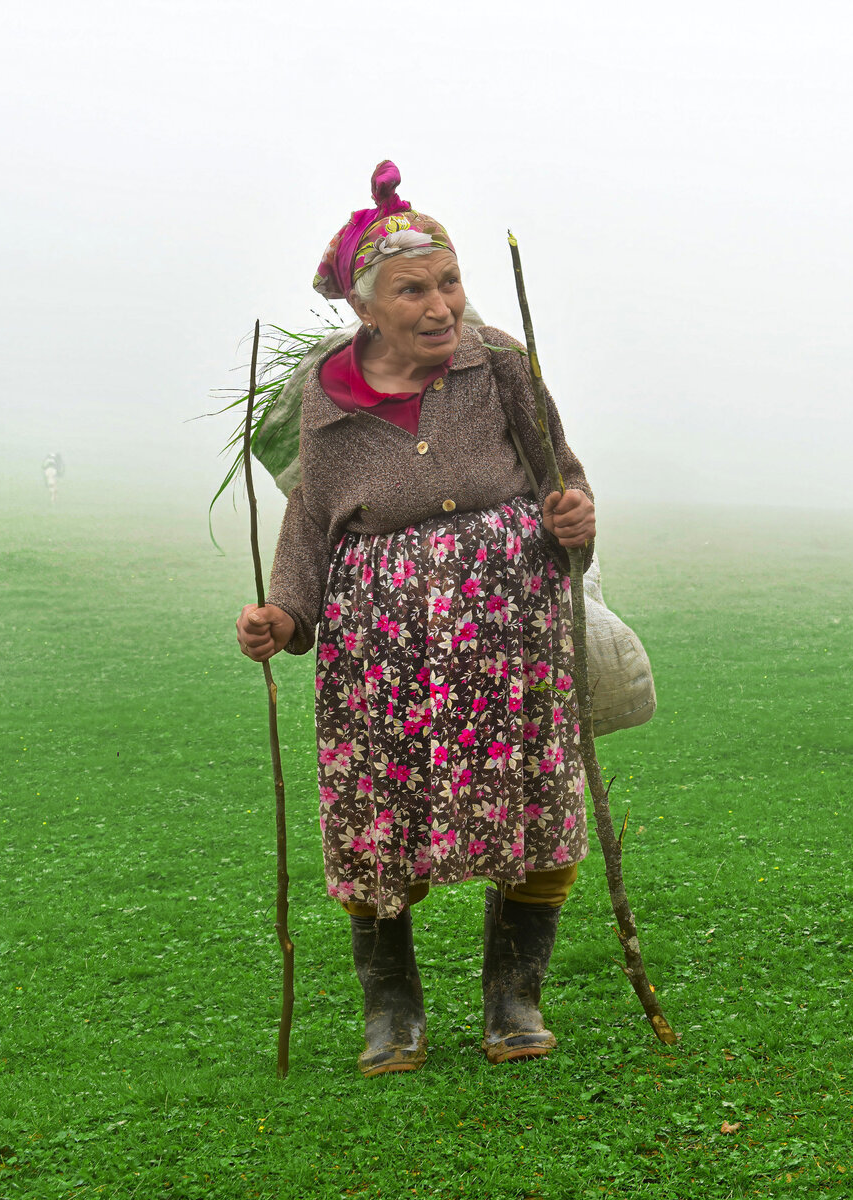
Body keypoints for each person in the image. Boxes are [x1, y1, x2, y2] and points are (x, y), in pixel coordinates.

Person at [235, 162, 596, 1076]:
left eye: (450, 282)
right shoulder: (320, 397)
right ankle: (389, 1009)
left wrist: (571, 519)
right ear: (365, 309)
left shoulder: (500, 361)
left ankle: (514, 998)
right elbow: (311, 518)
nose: (441, 306)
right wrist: (286, 612)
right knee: (375, 818)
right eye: (413, 290)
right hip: (378, 646)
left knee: (530, 799)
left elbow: (562, 471)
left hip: (509, 630)